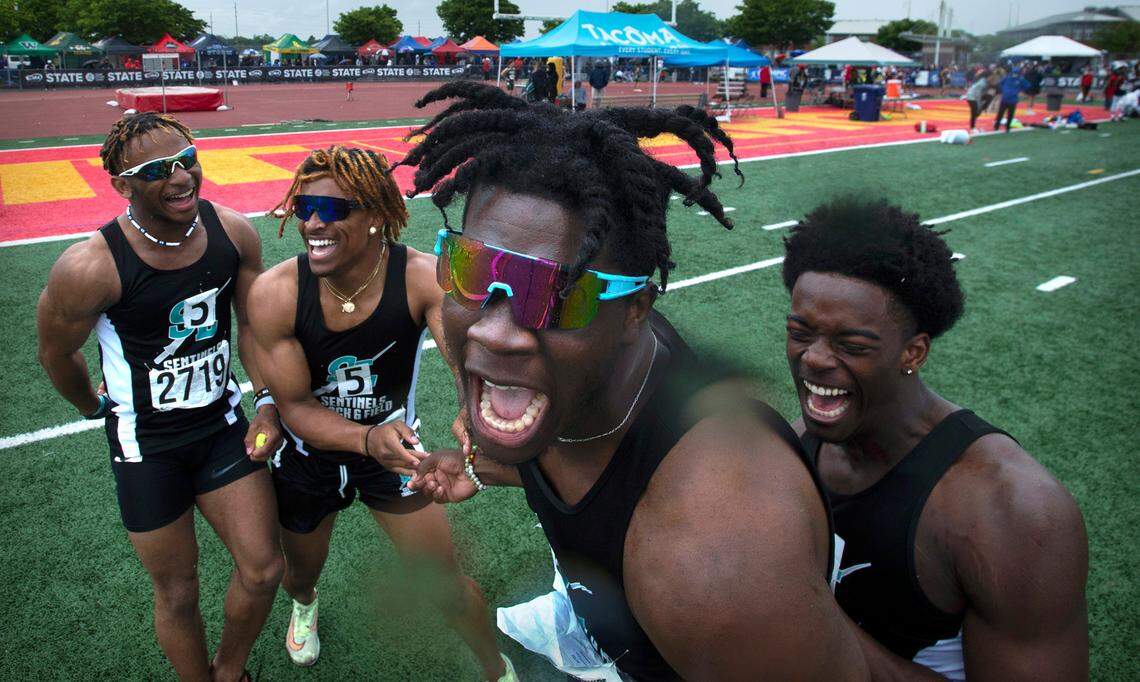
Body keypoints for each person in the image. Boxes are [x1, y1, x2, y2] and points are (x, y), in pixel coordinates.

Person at [397, 81, 870, 680]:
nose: (495, 330)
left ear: (635, 310)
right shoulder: (585, 371)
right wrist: (474, 466)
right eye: (470, 267)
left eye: (558, 292)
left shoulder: (711, 565)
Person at [781, 197, 1089, 680]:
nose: (814, 359)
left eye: (851, 345)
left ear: (914, 352)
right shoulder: (798, 443)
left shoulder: (1012, 511)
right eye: (800, 331)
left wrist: (808, 623)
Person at [247, 145, 514, 680]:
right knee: (299, 573)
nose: (313, 223)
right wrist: (367, 440)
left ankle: (495, 667)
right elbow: (295, 406)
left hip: (397, 456)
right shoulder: (276, 292)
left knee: (445, 582)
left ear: (375, 215)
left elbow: (467, 360)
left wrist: (471, 407)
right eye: (304, 208)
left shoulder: (419, 276)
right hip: (309, 455)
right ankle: (305, 604)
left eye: (334, 209)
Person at [36, 113, 284, 681]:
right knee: (177, 591)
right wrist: (87, 405)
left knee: (264, 568)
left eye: (187, 159)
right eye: (156, 171)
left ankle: (230, 672)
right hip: (146, 447)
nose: (180, 178)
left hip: (221, 428)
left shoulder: (232, 232)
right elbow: (56, 353)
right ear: (122, 185)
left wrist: (265, 399)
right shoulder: (90, 266)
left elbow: (254, 327)